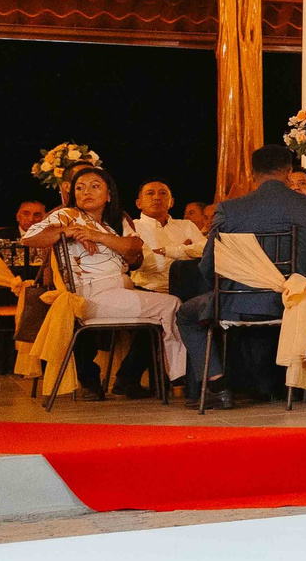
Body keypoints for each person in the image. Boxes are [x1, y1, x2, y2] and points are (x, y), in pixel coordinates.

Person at [177, 144, 306, 407]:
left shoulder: (230, 209)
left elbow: (208, 265)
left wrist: (223, 292)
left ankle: (217, 385)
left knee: (185, 314)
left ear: (253, 173)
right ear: (288, 171)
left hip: (239, 303)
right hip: (299, 303)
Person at [19, 168, 186, 400]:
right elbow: (29, 238)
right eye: (80, 187)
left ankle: (144, 377)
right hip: (91, 295)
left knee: (167, 307)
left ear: (108, 194)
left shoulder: (112, 222)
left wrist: (96, 236)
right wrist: (66, 231)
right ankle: (180, 378)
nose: (86, 191)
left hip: (120, 291)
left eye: (95, 186)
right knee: (172, 306)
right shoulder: (67, 215)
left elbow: (133, 248)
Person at [129, 180, 206, 296]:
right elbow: (146, 264)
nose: (157, 198)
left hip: (192, 291)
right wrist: (188, 251)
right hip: (150, 292)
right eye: (150, 193)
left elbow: (207, 251)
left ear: (172, 202)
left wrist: (168, 251)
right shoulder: (131, 227)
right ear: (139, 203)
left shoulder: (186, 225)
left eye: (162, 193)